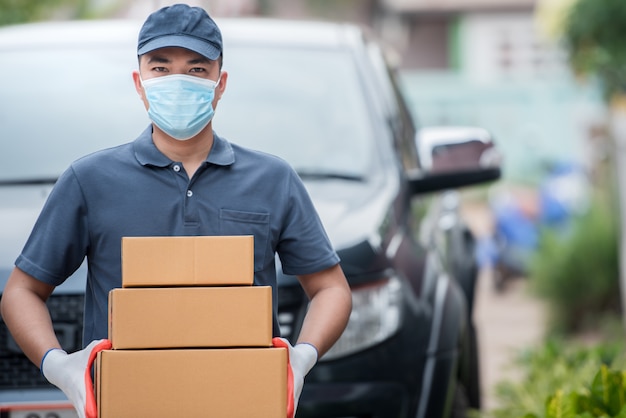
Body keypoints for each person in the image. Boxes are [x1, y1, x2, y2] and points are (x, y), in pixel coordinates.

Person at [0, 4, 352, 418]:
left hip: (242, 401)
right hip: (128, 403)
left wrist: (302, 357)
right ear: (139, 82)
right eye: (161, 68)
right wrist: (60, 366)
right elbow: (21, 292)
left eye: (197, 69)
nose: (178, 81)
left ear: (221, 84)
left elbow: (331, 288)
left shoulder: (272, 179)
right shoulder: (89, 180)